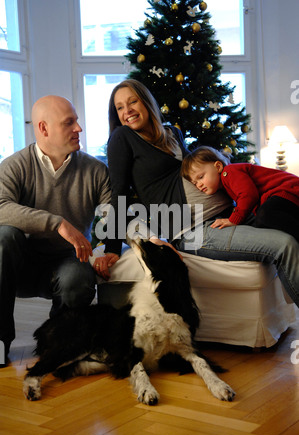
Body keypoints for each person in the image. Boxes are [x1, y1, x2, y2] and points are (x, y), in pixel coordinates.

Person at [95, 79, 299, 314]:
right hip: (192, 229)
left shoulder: (173, 133)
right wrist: (111, 247)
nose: (127, 111)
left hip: (229, 213)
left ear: (147, 102)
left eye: (132, 102)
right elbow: (119, 192)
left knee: (287, 223)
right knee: (285, 245)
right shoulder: (122, 138)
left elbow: (197, 169)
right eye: (119, 107)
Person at [0, 95, 112, 366]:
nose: (79, 128)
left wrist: (150, 240)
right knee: (3, 237)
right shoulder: (15, 166)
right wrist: (57, 223)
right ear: (44, 128)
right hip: (19, 263)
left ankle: (58, 343)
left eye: (76, 121)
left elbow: (114, 216)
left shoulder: (95, 170)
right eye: (69, 122)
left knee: (77, 276)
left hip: (67, 262)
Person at [181, 145, 299, 240]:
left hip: (287, 190)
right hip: (280, 197)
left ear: (217, 166)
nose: (199, 185)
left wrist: (233, 219)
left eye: (201, 177)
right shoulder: (224, 186)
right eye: (194, 183)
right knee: (263, 221)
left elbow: (248, 195)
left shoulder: (230, 172)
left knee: (264, 215)